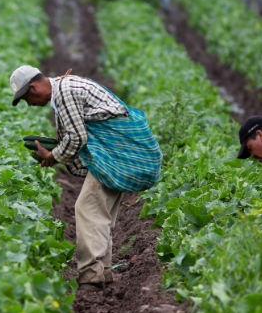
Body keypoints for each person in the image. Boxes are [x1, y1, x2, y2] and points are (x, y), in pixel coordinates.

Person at [9, 65, 162, 288]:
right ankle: (103, 271)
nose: (29, 104)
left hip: (114, 155)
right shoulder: (66, 88)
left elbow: (77, 138)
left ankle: (91, 274)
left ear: (33, 87)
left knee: (87, 208)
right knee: (100, 212)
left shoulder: (65, 92)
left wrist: (53, 155)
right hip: (113, 154)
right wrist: (56, 152)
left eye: (26, 98)